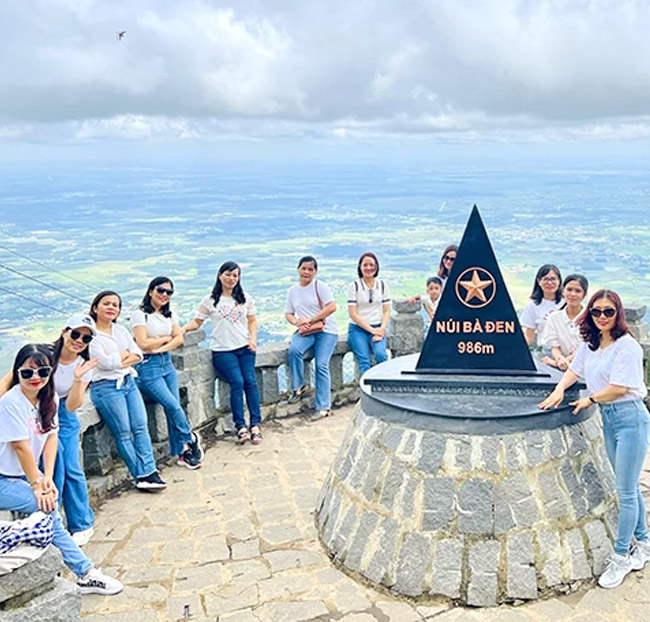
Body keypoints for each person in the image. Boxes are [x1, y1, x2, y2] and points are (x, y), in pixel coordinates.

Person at [539, 290, 650, 588]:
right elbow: (574, 370)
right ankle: (644, 543)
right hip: (610, 420)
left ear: (618, 314)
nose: (602, 316)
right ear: (589, 313)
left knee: (625, 492)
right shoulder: (592, 344)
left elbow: (619, 387)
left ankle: (621, 556)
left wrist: (590, 399)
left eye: (608, 311)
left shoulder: (627, 346)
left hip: (630, 419)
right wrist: (559, 390)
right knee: (628, 486)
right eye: (597, 311)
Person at [0, 344, 123, 595]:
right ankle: (85, 572)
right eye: (27, 373)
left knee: (49, 504)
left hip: (21, 475)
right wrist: (38, 485)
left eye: (43, 372)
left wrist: (47, 478)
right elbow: (21, 448)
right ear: (17, 372)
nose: (35, 378)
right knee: (46, 506)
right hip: (4, 478)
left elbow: (51, 438)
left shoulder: (50, 398)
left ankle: (82, 571)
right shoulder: (11, 402)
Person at [88, 291, 166, 490]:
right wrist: (124, 355)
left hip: (128, 382)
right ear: (95, 307)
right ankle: (140, 475)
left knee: (140, 427)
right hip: (106, 387)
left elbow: (138, 354)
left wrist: (120, 359)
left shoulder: (120, 330)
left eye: (115, 305)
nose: (111, 307)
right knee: (123, 432)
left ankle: (150, 470)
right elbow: (104, 364)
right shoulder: (91, 335)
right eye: (106, 303)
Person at [183, 262, 262, 445]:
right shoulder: (210, 300)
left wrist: (253, 339)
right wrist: (183, 329)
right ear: (220, 275)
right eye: (228, 274)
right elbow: (197, 322)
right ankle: (240, 426)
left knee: (250, 382)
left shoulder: (245, 298)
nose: (231, 278)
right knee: (237, 382)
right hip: (223, 350)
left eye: (235, 275)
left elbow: (252, 321)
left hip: (245, 348)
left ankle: (255, 424)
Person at [131, 277, 203, 469]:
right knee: (172, 406)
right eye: (160, 290)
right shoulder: (140, 315)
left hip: (166, 362)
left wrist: (161, 347)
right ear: (150, 291)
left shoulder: (170, 315)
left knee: (173, 408)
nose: (164, 295)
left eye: (168, 292)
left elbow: (179, 339)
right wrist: (165, 338)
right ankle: (190, 437)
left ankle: (182, 453)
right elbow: (142, 343)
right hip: (148, 367)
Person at [285, 255, 338, 421]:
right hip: (307, 330)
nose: (306, 272)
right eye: (303, 268)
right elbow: (288, 313)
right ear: (298, 269)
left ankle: (323, 407)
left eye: (310, 269)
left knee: (321, 364)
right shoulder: (292, 291)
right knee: (294, 350)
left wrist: (312, 319)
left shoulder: (320, 286)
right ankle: (298, 386)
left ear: (315, 272)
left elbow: (332, 306)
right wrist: (297, 322)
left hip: (326, 330)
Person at [346, 252, 391, 376]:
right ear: (360, 267)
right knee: (364, 361)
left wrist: (381, 329)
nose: (368, 268)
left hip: (378, 326)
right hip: (358, 329)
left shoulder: (382, 285)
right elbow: (353, 313)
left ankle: (383, 383)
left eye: (371, 265)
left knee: (381, 355)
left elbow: (386, 310)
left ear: (376, 266)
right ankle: (367, 387)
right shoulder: (354, 286)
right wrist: (372, 330)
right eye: (365, 265)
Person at [540, 274, 588, 370]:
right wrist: (559, 359)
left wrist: (558, 362)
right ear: (563, 291)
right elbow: (554, 346)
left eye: (578, 291)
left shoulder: (591, 317)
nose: (573, 294)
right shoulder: (554, 318)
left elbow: (585, 347)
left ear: (584, 294)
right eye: (569, 290)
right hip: (563, 368)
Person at [520, 264, 563, 345]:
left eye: (553, 279)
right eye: (546, 279)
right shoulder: (533, 305)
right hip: (545, 350)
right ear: (539, 281)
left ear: (559, 281)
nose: (549, 283)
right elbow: (529, 335)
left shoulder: (567, 303)